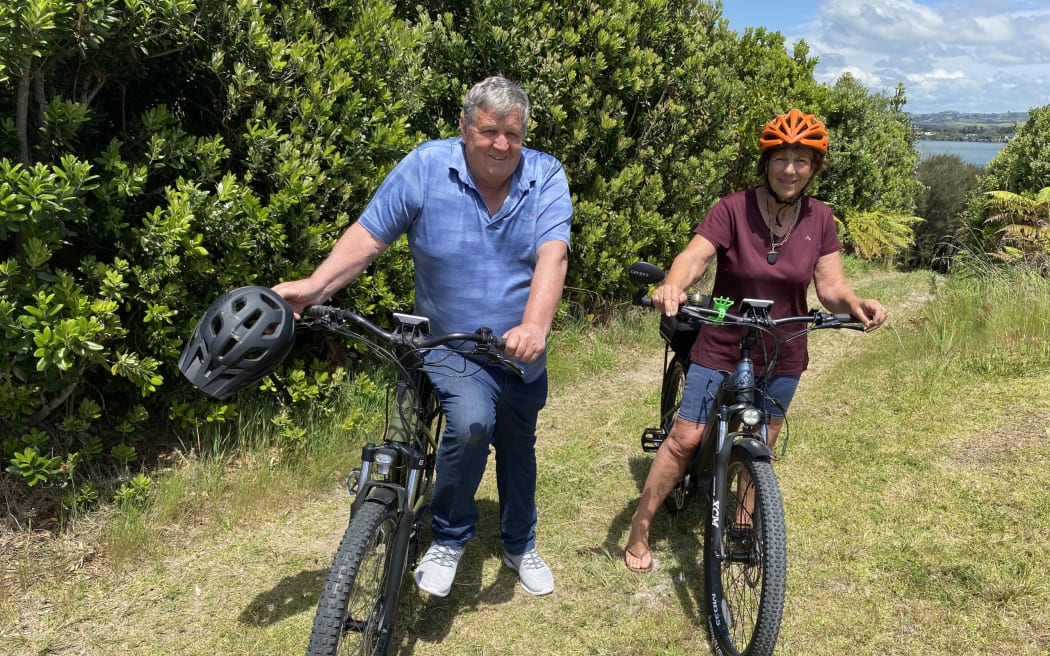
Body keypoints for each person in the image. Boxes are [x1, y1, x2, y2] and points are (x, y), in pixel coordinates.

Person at [273, 76, 573, 596]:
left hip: (520, 349)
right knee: (473, 421)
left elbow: (554, 253)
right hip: (449, 343)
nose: (501, 144)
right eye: (488, 131)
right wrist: (316, 286)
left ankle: (520, 543)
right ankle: (450, 538)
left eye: (512, 133)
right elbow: (370, 236)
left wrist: (535, 325)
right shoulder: (426, 166)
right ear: (464, 128)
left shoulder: (545, 174)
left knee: (519, 447)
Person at [623, 109, 888, 573]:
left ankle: (742, 525)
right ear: (765, 163)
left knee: (760, 442)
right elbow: (695, 256)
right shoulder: (733, 208)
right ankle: (640, 529)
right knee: (686, 438)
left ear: (814, 167)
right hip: (723, 338)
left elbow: (830, 287)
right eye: (780, 158)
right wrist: (673, 284)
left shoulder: (821, 218)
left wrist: (854, 302)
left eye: (801, 160)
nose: (790, 169)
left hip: (784, 347)